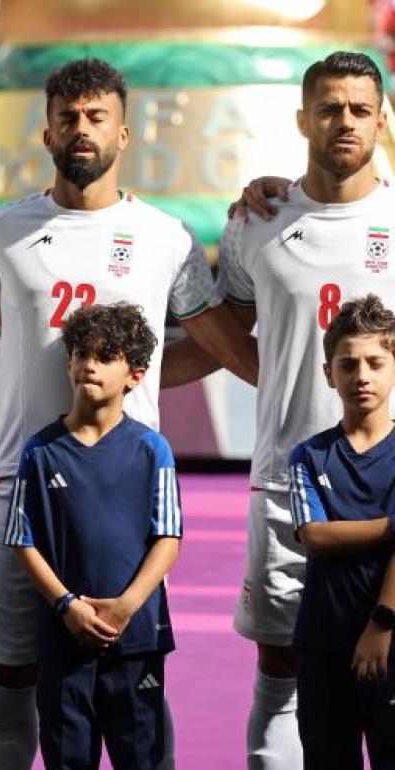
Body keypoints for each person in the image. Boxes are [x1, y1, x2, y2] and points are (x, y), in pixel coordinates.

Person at [0, 57, 256, 770]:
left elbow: (226, 348)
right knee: (14, 668)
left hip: (128, 492)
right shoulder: (2, 228)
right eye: (68, 117)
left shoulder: (164, 237)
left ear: (124, 134)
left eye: (96, 118)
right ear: (46, 132)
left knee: (134, 674)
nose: (81, 130)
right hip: (20, 482)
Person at [207, 51, 395, 770]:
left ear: (381, 120)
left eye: (358, 108)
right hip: (288, 482)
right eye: (329, 107)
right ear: (301, 118)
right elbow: (224, 324)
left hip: (389, 482)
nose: (343, 121)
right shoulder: (259, 218)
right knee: (283, 666)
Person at [4, 303, 181, 770]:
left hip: (136, 636)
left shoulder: (152, 449)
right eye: (82, 353)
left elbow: (168, 538)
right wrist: (67, 605)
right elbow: (22, 540)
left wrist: (126, 607)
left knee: (140, 757)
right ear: (68, 362)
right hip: (65, 636)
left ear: (135, 375)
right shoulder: (40, 450)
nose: (89, 364)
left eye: (106, 356)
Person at [288, 295, 395, 770]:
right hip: (322, 642)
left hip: (389, 639)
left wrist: (382, 623)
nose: (362, 376)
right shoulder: (308, 456)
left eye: (375, 362)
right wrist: (393, 526)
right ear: (329, 374)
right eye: (348, 364)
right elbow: (315, 537)